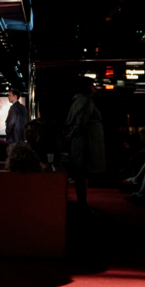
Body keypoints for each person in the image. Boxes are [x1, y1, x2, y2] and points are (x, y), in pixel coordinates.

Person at [64, 77, 105, 210]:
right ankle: (83, 205)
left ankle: (83, 204)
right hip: (86, 141)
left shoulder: (77, 100)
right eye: (92, 85)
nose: (95, 87)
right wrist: (74, 133)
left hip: (82, 140)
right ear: (86, 87)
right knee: (82, 173)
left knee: (81, 173)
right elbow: (81, 122)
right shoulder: (86, 101)